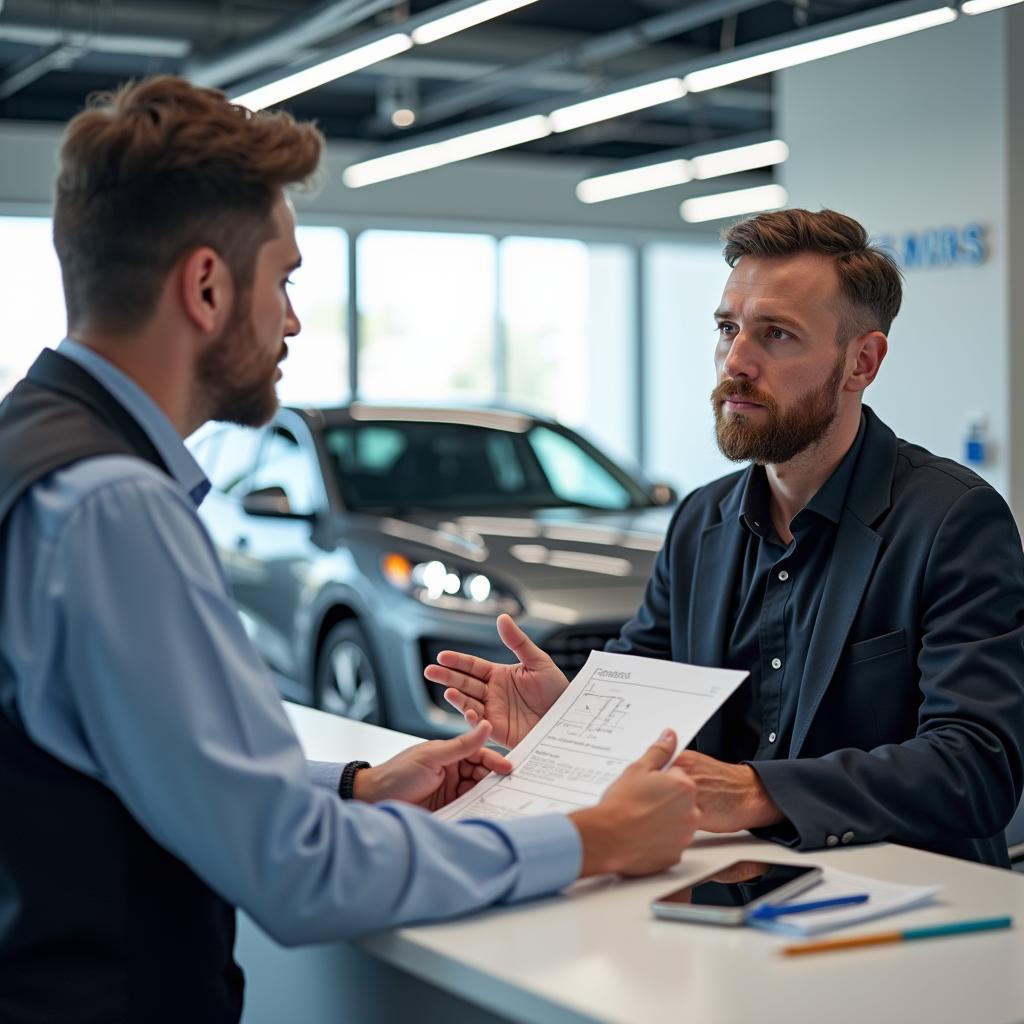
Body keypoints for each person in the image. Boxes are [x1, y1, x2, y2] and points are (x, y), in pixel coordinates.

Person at [0, 76, 701, 1024]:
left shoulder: (30, 453)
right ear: (207, 285)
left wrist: (357, 785)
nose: (291, 322)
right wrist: (594, 839)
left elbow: (124, 758)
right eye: (283, 280)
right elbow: (300, 871)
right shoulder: (113, 506)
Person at [429, 208, 1024, 869]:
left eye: (777, 335)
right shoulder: (698, 525)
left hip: (905, 901)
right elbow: (646, 701)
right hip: (724, 883)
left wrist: (756, 791)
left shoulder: (952, 520)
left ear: (863, 362)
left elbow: (978, 765)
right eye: (727, 329)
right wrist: (566, 719)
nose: (735, 361)